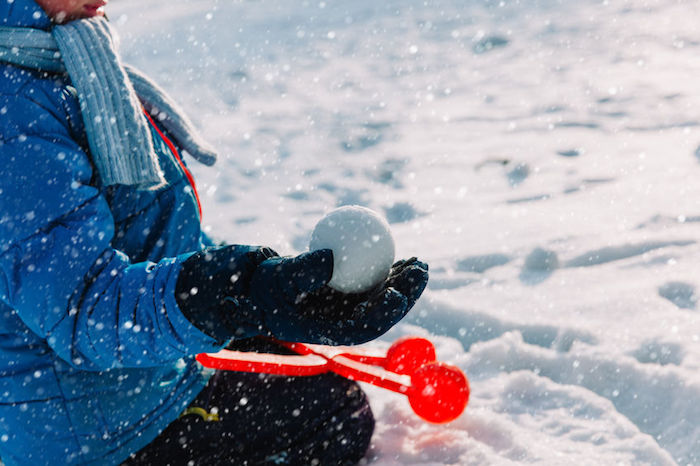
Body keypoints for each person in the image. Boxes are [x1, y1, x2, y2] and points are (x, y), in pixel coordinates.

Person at [0, 0, 429, 465]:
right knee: (335, 413)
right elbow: (84, 309)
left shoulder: (65, 63)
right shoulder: (17, 113)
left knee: (293, 360)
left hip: (121, 382)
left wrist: (263, 281)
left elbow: (151, 236)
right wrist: (232, 292)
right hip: (94, 435)